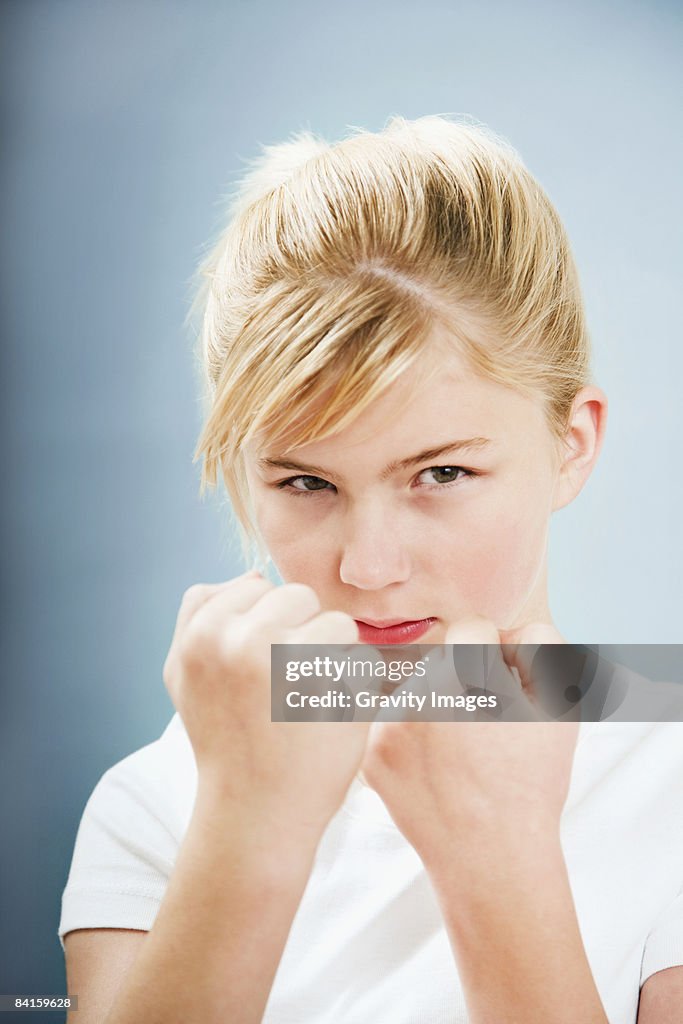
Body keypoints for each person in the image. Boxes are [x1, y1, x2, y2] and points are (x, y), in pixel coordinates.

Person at [59, 115, 683, 1023]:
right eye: (306, 480)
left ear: (570, 446)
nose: (367, 566)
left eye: (442, 473)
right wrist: (245, 829)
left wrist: (498, 860)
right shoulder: (160, 800)